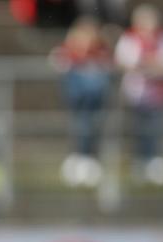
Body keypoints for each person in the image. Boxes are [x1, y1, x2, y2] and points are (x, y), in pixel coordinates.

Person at [114, 5, 163, 185]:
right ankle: (139, 161)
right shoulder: (129, 38)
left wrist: (154, 65)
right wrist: (144, 63)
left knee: (156, 128)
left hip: (158, 94)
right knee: (137, 129)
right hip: (136, 94)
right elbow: (123, 62)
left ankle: (155, 161)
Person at [50, 17, 112, 188]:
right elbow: (59, 65)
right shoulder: (68, 53)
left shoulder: (100, 53)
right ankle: (77, 159)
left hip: (95, 104)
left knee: (93, 128)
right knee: (80, 128)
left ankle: (90, 160)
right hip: (78, 103)